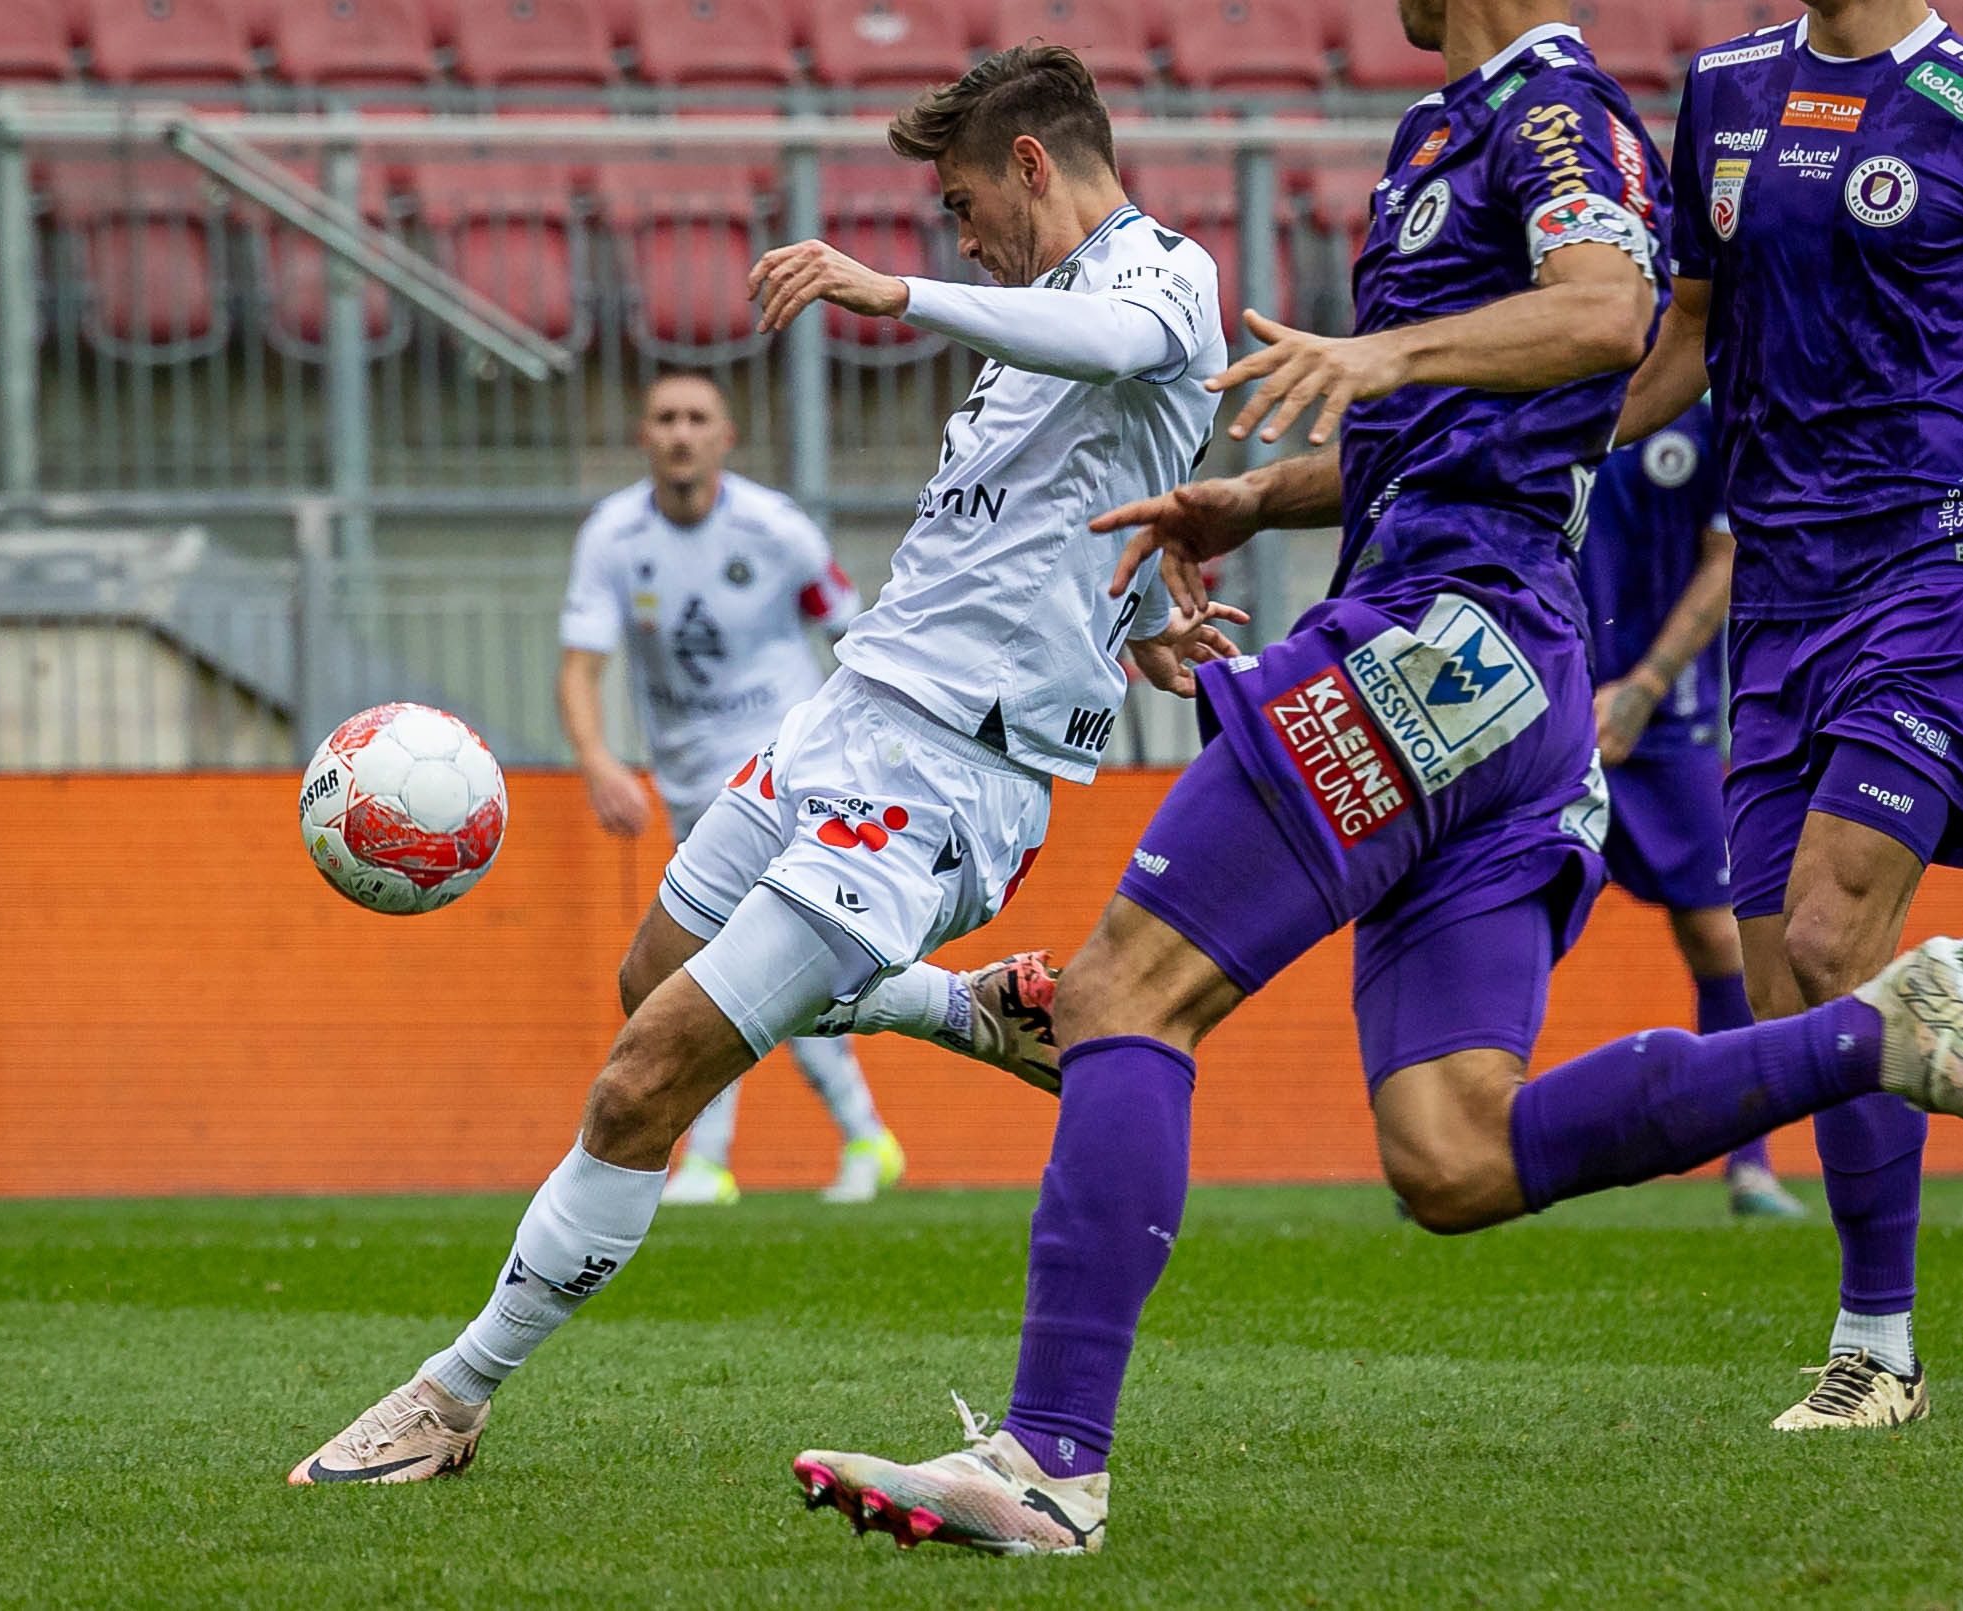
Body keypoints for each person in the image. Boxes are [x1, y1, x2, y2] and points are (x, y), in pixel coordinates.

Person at [791, 2, 1963, 1555]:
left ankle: (1050, 1460)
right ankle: (1875, 1032)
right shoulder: (1450, 121)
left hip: (1440, 636)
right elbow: (1482, 425)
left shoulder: (1553, 107)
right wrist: (1255, 496)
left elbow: (1609, 314)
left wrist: (1374, 353)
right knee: (1452, 1154)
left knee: (1122, 994)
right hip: (1501, 673)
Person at [287, 44, 1239, 1485]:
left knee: (639, 1080)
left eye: (963, 198)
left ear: (1033, 165)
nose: (955, 230)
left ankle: (451, 1391)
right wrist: (1119, 628)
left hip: (943, 777)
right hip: (841, 715)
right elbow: (1036, 532)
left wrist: (888, 290)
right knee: (647, 978)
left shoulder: (1161, 276)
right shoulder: (1030, 315)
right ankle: (961, 1008)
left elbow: (1118, 354)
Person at [1610, 0, 1962, 1429]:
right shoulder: (1726, 87)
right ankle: (1882, 1347)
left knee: (1832, 934)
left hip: (1929, 559)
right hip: (1778, 582)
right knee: (1790, 1004)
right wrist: (1544, 447)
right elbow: (1691, 326)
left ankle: (1872, 1346)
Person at [558, 372, 905, 1206]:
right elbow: (581, 664)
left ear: (725, 437)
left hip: (780, 772)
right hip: (686, 784)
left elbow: (853, 632)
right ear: (643, 437)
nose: (680, 433)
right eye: (664, 418)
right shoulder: (614, 537)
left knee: (726, 961)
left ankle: (711, 1158)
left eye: (696, 419)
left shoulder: (775, 529)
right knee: (753, 965)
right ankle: (863, 1135)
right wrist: (600, 761)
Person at [1577, 401, 1803, 1219]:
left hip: (1667, 717)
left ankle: (1748, 1163)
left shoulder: (1704, 402)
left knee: (1717, 935)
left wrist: (1645, 685)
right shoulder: (1544, 368)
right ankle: (1453, 1134)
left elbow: (1726, 555)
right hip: (1540, 695)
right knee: (1502, 904)